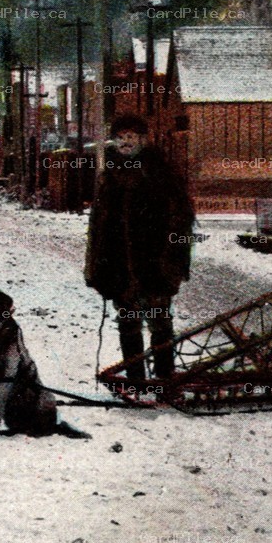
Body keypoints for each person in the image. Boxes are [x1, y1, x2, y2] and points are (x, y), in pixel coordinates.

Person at [85, 114, 195, 390]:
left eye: (130, 137)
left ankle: (164, 378)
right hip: (119, 266)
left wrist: (173, 261)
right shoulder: (109, 178)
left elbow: (182, 221)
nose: (125, 142)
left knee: (160, 322)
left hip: (156, 265)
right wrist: (94, 266)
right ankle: (136, 380)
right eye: (120, 138)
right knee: (128, 322)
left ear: (143, 140)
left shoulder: (162, 174)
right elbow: (97, 226)